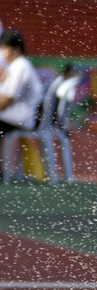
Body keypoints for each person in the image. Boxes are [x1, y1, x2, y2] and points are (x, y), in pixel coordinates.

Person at [0, 29, 44, 184]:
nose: (2, 53)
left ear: (15, 49)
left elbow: (6, 100)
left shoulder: (20, 67)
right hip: (17, 115)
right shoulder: (17, 66)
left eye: (4, 49)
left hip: (22, 118)